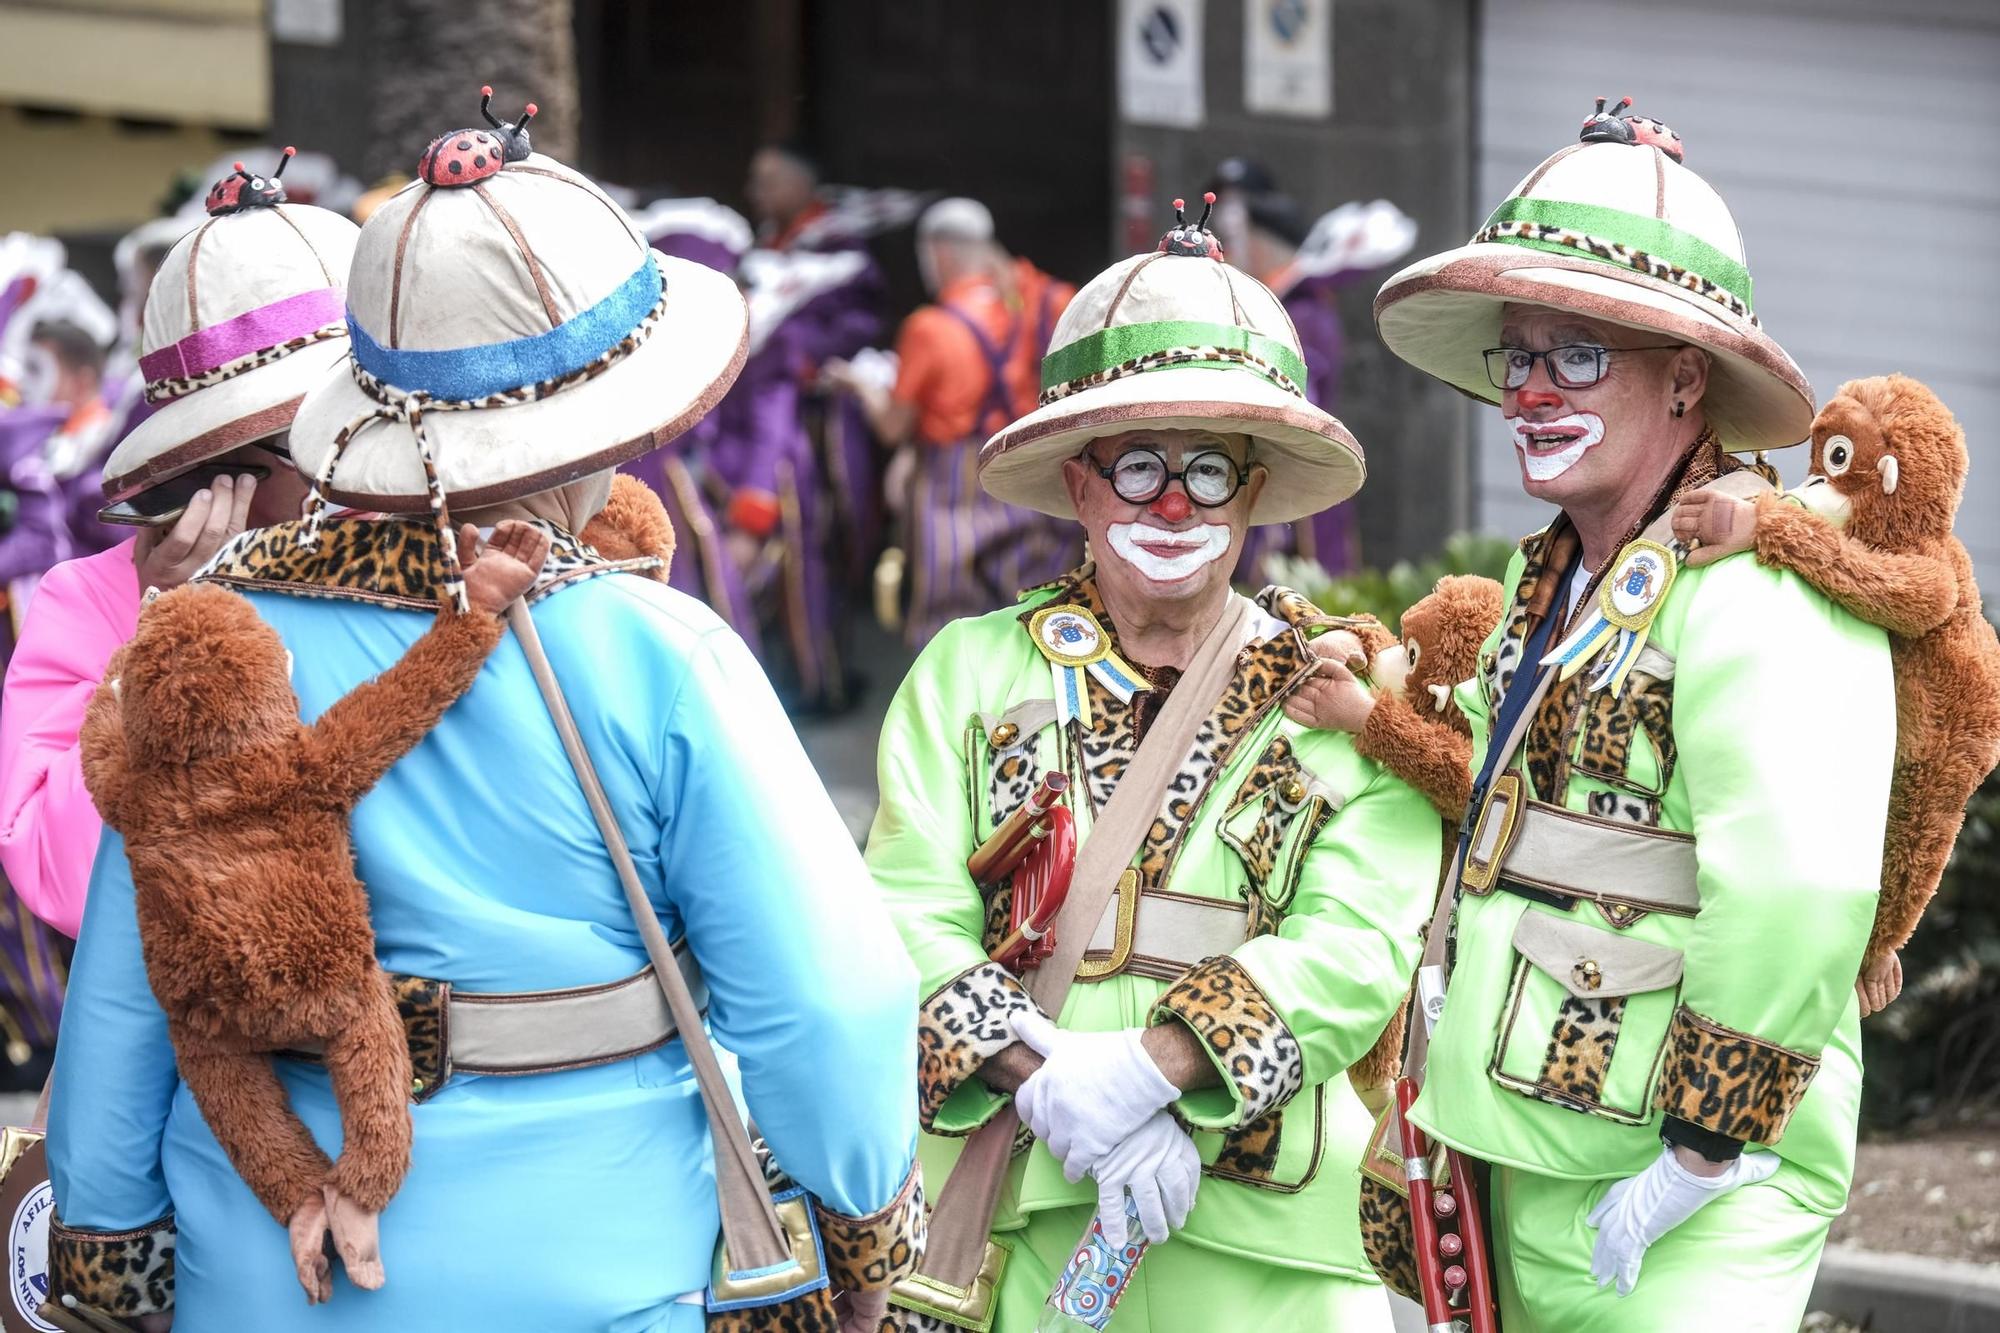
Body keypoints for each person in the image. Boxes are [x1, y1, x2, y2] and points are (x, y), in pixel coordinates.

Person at [46, 138, 921, 1329]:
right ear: (603, 423)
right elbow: (826, 1005)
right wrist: (862, 1238)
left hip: (265, 1268)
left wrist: (113, 1250)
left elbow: (129, 1000)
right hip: (594, 1273)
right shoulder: (661, 652)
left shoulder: (201, 646)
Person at [1366, 103, 1896, 1330]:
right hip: (1517, 1138)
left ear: (1684, 378)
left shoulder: (1760, 586)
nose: (1529, 391)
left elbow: (1799, 884)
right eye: (1516, 356)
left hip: (1692, 1175)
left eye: (1575, 355)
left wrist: (1703, 1147)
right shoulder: (1545, 576)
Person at [867, 207, 1441, 1330]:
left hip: (1275, 1247)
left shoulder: (1347, 693)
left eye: (1209, 470)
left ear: (1255, 491)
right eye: (1137, 467)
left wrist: (1151, 1073)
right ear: (1080, 483)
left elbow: (1360, 943)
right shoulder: (967, 669)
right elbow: (901, 910)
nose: (1173, 504)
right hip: (1020, 1213)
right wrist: (1051, 1079)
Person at [0, 181, 347, 940]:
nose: (352, 469)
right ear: (214, 458)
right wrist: (171, 634)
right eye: (314, 439)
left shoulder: (447, 559)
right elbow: (62, 879)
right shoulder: (93, 599)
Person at [830, 197, 1082, 646]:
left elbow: (893, 427)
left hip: (951, 484)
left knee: (947, 616)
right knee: (1024, 612)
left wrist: (861, 386)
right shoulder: (1031, 306)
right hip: (1016, 466)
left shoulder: (928, 327)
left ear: (938, 253)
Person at [1208, 159, 1418, 582]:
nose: (1230, 249)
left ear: (1263, 242)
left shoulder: (1304, 313)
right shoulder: (1272, 304)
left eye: (1237, 237)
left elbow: (1302, 409)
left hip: (1293, 475)